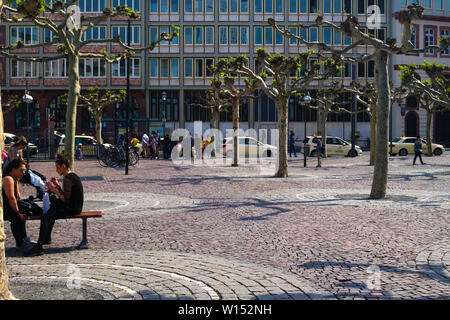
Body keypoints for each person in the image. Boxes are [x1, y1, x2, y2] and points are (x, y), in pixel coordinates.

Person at [26, 154, 84, 256]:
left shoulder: (68, 179)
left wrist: (53, 189)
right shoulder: (71, 176)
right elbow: (66, 196)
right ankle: (46, 238)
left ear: (64, 166)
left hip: (72, 209)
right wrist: (57, 186)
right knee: (51, 210)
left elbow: (65, 199)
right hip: (74, 206)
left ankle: (39, 246)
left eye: (58, 167)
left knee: (46, 216)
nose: (57, 170)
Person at [2, 158, 34, 254]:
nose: (23, 173)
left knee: (22, 214)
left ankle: (23, 240)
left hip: (8, 207)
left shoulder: (15, 179)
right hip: (4, 209)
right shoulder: (8, 179)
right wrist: (18, 212)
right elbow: (11, 199)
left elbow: (18, 197)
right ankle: (21, 243)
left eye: (24, 170)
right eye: (21, 170)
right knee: (17, 217)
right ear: (13, 169)